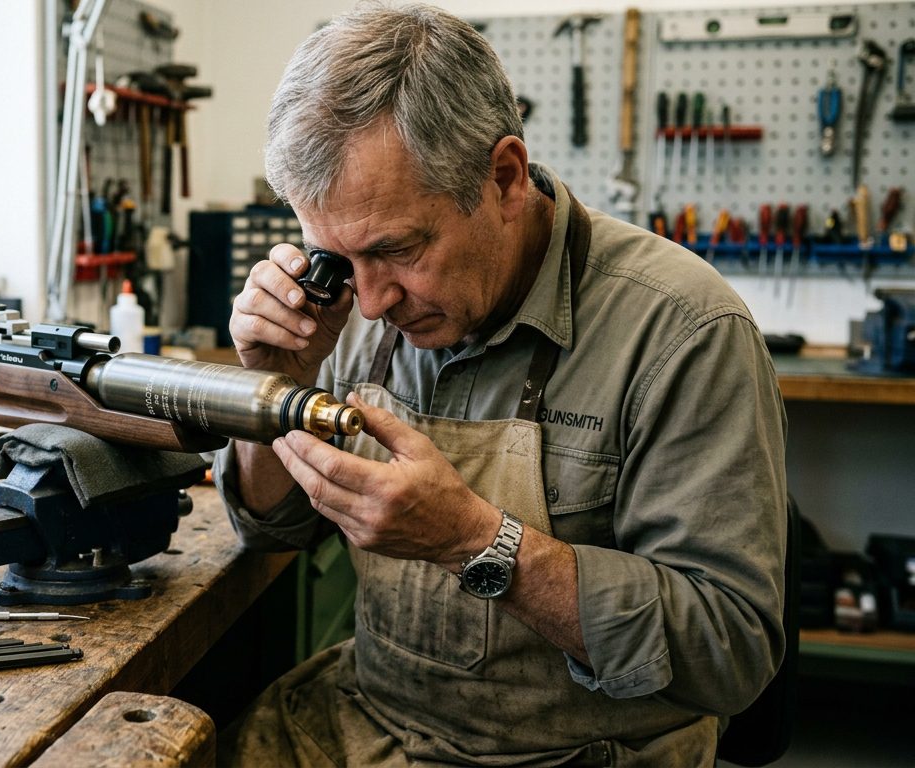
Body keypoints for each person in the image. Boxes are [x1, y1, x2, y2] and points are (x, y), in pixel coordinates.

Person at [212, 4, 788, 765]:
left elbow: (729, 652)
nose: (373, 301)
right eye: (340, 257)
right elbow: (269, 530)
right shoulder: (347, 301)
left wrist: (475, 542)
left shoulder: (683, 331)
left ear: (505, 177)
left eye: (400, 249)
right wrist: (278, 387)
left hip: (583, 751)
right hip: (372, 720)